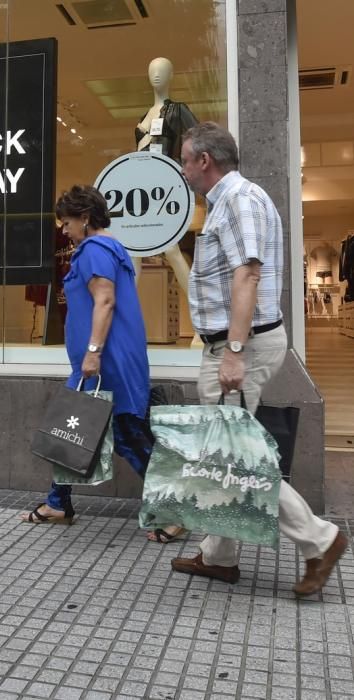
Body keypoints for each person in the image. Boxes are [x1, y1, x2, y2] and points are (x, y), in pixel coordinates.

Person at [169, 122, 347, 596]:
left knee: (238, 458)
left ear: (204, 160)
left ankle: (320, 539)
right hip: (231, 343)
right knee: (223, 453)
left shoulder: (240, 200)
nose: (183, 169)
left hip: (238, 345)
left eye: (186, 160)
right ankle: (219, 555)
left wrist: (233, 350)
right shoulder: (229, 201)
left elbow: (247, 275)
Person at [21, 185, 155, 525]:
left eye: (67, 223)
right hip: (103, 361)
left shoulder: (94, 249)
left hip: (105, 362)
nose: (64, 231)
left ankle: (175, 507)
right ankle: (58, 502)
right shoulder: (110, 249)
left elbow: (105, 301)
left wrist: (93, 352)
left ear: (85, 218)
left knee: (127, 437)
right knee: (73, 428)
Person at [132, 57, 198, 298]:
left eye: (162, 70)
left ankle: (203, 323)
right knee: (134, 252)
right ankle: (121, 325)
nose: (156, 75)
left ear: (171, 75)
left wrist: (184, 174)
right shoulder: (143, 116)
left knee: (171, 250)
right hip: (141, 190)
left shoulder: (178, 110)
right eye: (152, 70)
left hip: (164, 188)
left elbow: (198, 140)